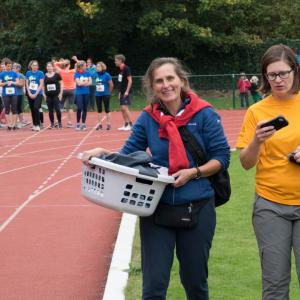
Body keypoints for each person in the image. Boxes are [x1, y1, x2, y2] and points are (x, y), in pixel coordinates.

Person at [81, 57, 230, 299]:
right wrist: (103, 154)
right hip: (157, 209)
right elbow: (128, 155)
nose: (165, 85)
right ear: (152, 86)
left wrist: (194, 172)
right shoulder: (148, 118)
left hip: (198, 207)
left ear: (181, 80)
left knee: (195, 284)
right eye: (158, 81)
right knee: (153, 288)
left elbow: (222, 157)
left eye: (170, 78)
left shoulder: (204, 114)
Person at [236, 44, 300, 300]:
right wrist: (256, 141)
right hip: (271, 205)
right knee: (275, 284)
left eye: (283, 73)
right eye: (271, 75)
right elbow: (246, 162)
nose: (278, 80)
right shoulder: (257, 111)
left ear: (295, 71)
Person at [53, 58, 76, 128]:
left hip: (63, 90)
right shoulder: (72, 71)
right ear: (69, 65)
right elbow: (80, 66)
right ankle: (69, 122)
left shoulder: (61, 71)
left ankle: (57, 121)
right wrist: (76, 60)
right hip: (72, 90)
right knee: (70, 107)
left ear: (64, 65)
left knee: (61, 106)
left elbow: (54, 64)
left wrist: (61, 63)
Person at [114, 54, 133, 130]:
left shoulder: (126, 68)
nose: (115, 62)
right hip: (122, 92)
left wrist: (127, 91)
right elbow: (120, 82)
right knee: (122, 108)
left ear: (120, 61)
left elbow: (130, 81)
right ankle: (126, 124)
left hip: (126, 92)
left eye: (116, 61)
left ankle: (131, 125)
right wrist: (119, 92)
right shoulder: (120, 70)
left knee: (125, 107)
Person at [0, 58, 19, 130]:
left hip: (14, 93)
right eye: (8, 66)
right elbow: (0, 83)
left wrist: (12, 82)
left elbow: (17, 83)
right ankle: (9, 124)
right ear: (5, 66)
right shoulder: (2, 74)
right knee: (7, 109)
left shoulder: (14, 73)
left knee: (14, 108)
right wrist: (5, 83)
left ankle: (14, 124)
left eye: (10, 66)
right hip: (5, 93)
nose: (9, 67)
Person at [25, 60, 44, 131]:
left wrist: (36, 93)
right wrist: (29, 93)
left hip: (38, 93)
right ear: (31, 66)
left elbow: (41, 84)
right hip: (30, 93)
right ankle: (34, 124)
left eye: (36, 65)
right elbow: (27, 83)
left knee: (36, 107)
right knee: (32, 109)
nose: (35, 66)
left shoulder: (40, 73)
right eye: (33, 65)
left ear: (38, 66)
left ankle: (38, 124)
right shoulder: (28, 73)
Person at [94, 61, 113, 130]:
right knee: (99, 109)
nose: (97, 68)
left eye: (98, 66)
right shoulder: (95, 74)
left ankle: (108, 124)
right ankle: (99, 124)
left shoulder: (107, 75)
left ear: (102, 67)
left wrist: (109, 93)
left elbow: (111, 85)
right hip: (98, 94)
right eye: (96, 66)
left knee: (107, 109)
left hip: (105, 94)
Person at [44, 62, 63, 129]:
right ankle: (52, 123)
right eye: (48, 66)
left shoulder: (57, 75)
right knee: (50, 110)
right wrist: (44, 95)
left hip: (56, 95)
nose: (49, 68)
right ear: (46, 68)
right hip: (48, 95)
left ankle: (60, 123)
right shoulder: (45, 76)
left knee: (57, 109)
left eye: (50, 66)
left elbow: (61, 84)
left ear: (53, 67)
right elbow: (44, 86)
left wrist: (60, 94)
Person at [74, 60, 91, 131]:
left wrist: (83, 83)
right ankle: (78, 123)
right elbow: (78, 84)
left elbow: (91, 82)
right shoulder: (76, 74)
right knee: (79, 107)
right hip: (79, 93)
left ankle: (83, 124)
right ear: (81, 66)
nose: (86, 66)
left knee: (85, 108)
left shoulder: (88, 73)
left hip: (86, 92)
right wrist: (86, 82)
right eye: (85, 65)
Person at [12, 63, 30, 128]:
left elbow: (21, 84)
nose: (13, 69)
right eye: (12, 67)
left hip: (19, 94)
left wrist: (13, 83)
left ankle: (21, 122)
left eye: (14, 68)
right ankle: (16, 122)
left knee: (18, 108)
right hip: (12, 94)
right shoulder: (11, 75)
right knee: (14, 108)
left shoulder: (21, 75)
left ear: (18, 69)